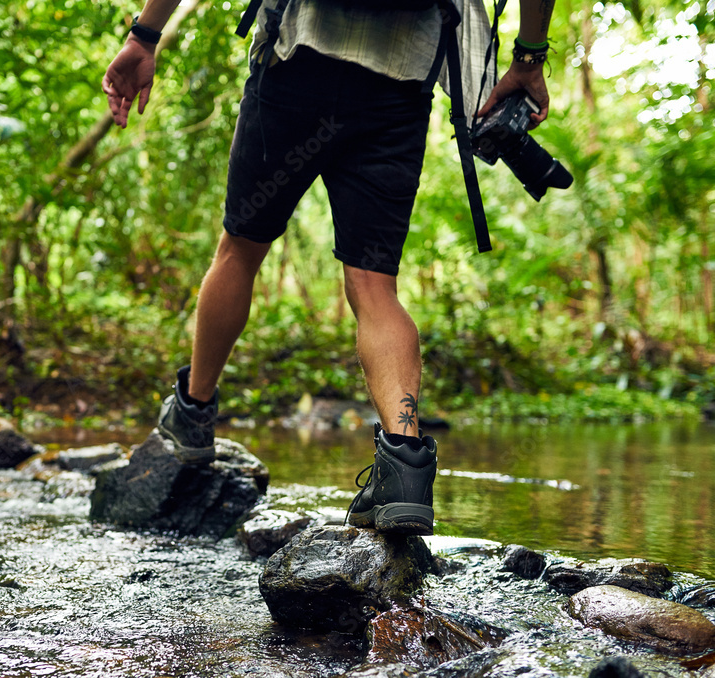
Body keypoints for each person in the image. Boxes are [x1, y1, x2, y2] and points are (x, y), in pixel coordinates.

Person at [102, 0, 554, 534]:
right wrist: (528, 55)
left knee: (241, 250)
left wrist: (145, 35)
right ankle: (405, 466)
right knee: (374, 286)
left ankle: (194, 415)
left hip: (298, 64)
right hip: (400, 84)